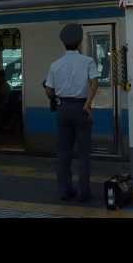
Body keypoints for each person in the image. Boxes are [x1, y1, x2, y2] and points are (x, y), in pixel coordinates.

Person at [44, 23, 99, 202]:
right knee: (83, 154)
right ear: (80, 41)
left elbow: (50, 91)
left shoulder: (55, 65)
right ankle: (84, 192)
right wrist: (88, 104)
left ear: (63, 43)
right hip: (80, 108)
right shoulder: (88, 61)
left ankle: (65, 191)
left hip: (63, 109)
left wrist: (54, 96)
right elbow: (94, 84)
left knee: (64, 153)